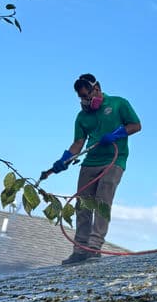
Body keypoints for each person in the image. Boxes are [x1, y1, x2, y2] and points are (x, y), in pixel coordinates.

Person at [47, 73, 142, 265]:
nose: (86, 101)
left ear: (97, 88)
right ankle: (80, 249)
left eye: (88, 96)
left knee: (101, 203)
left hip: (114, 161)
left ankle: (94, 248)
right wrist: (65, 158)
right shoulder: (82, 117)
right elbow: (78, 142)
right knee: (82, 205)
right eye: (82, 98)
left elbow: (136, 125)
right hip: (91, 162)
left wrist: (118, 134)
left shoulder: (118, 104)